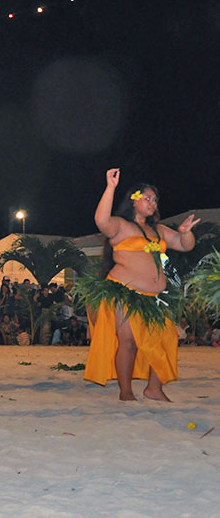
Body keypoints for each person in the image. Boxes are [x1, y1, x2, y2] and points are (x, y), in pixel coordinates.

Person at [77, 168, 199, 401]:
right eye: (148, 198)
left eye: (155, 200)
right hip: (125, 292)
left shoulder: (159, 230)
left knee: (167, 339)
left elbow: (185, 245)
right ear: (134, 200)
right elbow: (101, 220)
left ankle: (154, 388)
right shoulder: (121, 226)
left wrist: (185, 233)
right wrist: (110, 187)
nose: (153, 203)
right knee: (129, 343)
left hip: (155, 298)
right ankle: (126, 392)